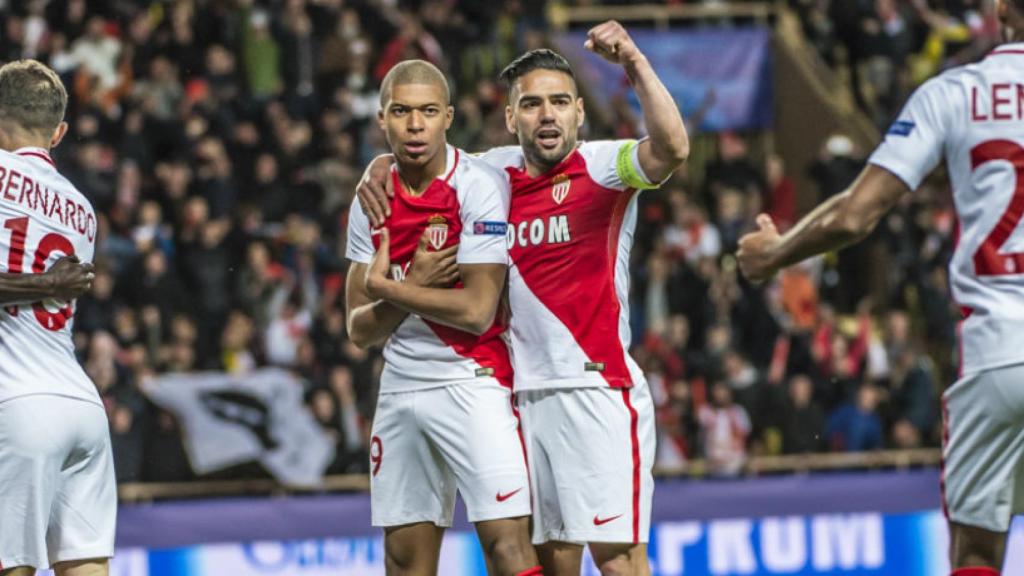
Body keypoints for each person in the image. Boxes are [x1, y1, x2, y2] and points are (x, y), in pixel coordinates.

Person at [357, 21, 688, 575]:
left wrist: (632, 61)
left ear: (580, 112)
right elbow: (424, 152)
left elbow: (674, 147)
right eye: (531, 105)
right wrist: (381, 163)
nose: (547, 114)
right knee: (552, 565)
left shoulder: (606, 167)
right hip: (520, 397)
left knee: (620, 562)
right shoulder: (492, 173)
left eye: (560, 102)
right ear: (511, 119)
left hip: (593, 388)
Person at [736, 1, 1024, 573]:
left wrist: (777, 254)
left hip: (999, 351)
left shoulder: (955, 92)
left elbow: (854, 217)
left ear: (999, 11)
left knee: (977, 552)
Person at [344, 60, 540, 576]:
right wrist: (410, 288)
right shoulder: (370, 198)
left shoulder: (477, 186)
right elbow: (358, 329)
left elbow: (477, 311)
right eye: (402, 112)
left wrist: (391, 289)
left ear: (448, 117)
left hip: (474, 382)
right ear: (382, 119)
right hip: (400, 388)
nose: (415, 125)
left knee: (508, 549)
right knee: (405, 562)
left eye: (428, 112)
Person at [0, 60, 113, 576]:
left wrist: (41, 285)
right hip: (81, 405)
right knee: (86, 567)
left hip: (16, 403)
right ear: (59, 131)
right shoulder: (83, 208)